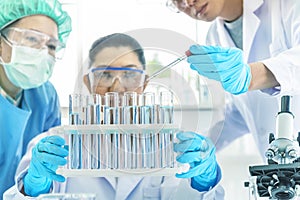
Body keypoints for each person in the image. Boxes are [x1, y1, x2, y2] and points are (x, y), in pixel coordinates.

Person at [4, 33, 224, 200]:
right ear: (88, 83)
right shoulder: (56, 145)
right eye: (105, 74)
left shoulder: (173, 146)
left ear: (145, 83)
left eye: (129, 74)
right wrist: (33, 188)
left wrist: (204, 181)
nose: (117, 87)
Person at [168, 0, 300, 158]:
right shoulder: (214, 37)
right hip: (279, 166)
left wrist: (251, 75)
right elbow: (243, 110)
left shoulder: (287, 5)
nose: (189, 2)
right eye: (177, 1)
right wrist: (205, 143)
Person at [0, 0, 72, 197]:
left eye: (51, 45)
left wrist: (35, 184)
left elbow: (48, 168)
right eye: (32, 39)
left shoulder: (45, 97)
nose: (43, 52)